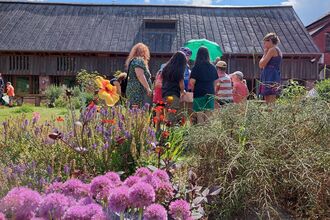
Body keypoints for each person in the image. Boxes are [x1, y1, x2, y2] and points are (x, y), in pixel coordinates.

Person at [189, 47, 218, 123]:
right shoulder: (212, 67)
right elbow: (216, 81)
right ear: (208, 55)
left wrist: (193, 89)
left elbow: (192, 82)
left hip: (199, 93)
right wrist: (213, 90)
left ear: (198, 55)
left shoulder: (196, 67)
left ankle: (200, 132)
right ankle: (207, 133)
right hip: (210, 93)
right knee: (209, 115)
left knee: (200, 114)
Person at [161, 51, 187, 124]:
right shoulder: (179, 70)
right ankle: (171, 132)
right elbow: (181, 83)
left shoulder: (166, 68)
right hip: (173, 94)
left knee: (168, 112)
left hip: (165, 94)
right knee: (172, 113)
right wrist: (183, 91)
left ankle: (166, 131)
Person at [125, 43, 153, 107]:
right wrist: (148, 88)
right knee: (140, 110)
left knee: (134, 111)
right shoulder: (139, 60)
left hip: (132, 88)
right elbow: (140, 75)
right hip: (139, 90)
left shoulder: (132, 61)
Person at [259, 32, 282, 104]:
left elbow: (261, 64)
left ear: (270, 41)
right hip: (273, 74)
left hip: (270, 75)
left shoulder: (272, 50)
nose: (264, 45)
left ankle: (271, 114)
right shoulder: (278, 50)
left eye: (265, 42)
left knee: (269, 100)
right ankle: (270, 114)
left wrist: (264, 53)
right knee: (269, 99)